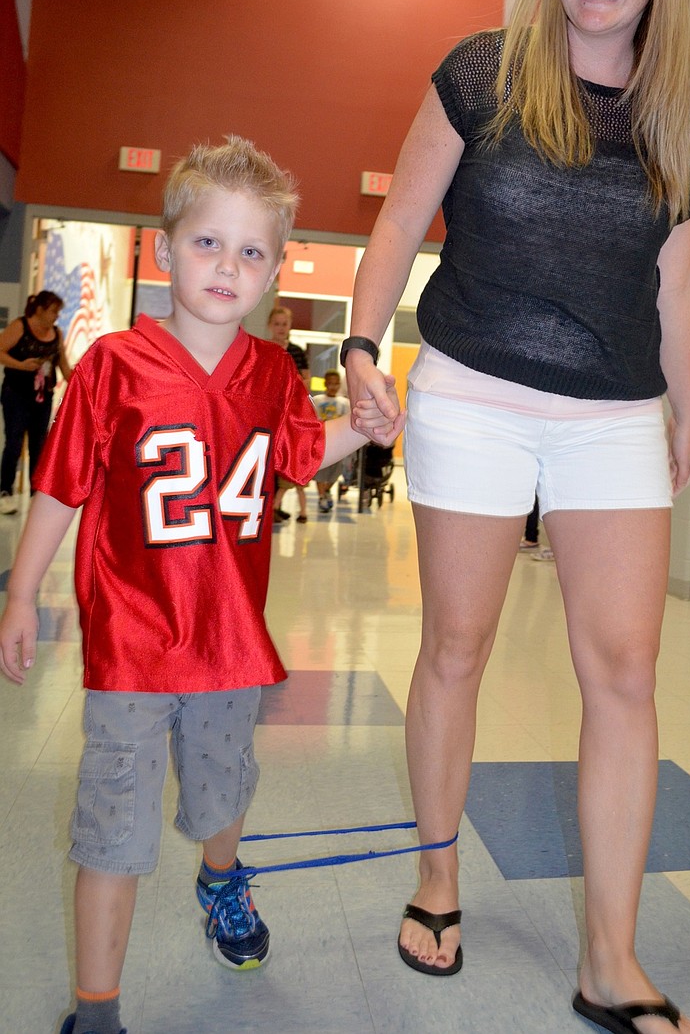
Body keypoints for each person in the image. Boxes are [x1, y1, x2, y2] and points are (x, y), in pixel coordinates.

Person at [344, 0, 690, 1034]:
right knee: (457, 642)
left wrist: (685, 398)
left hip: (611, 409)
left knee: (626, 673)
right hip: (474, 389)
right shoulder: (481, 72)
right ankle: (438, 878)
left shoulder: (674, 110)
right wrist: (359, 346)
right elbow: (403, 214)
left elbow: (676, 275)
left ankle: (611, 958)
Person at [0, 136, 398, 1034]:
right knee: (111, 829)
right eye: (210, 242)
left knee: (223, 792)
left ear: (273, 271)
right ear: (166, 248)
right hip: (131, 651)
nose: (228, 264)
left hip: (228, 647)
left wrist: (361, 426)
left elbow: (299, 453)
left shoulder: (271, 376)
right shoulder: (109, 368)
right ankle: (95, 1010)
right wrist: (21, 594)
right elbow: (62, 486)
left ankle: (222, 877)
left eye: (251, 250)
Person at [0, 290, 73, 513]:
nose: (55, 317)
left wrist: (77, 385)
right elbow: (0, 350)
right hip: (17, 393)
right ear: (40, 309)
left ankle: (36, 492)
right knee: (13, 442)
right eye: (53, 311)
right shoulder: (20, 326)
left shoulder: (56, 333)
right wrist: (21, 365)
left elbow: (62, 362)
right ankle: (5, 491)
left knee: (39, 444)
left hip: (43, 395)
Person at [267, 303, 310, 523]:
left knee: (283, 455)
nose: (281, 328)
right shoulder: (262, 348)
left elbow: (305, 380)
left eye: (285, 324)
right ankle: (268, 504)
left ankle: (275, 504)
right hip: (266, 409)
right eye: (277, 324)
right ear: (269, 326)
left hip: (288, 411)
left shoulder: (296, 352)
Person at [312, 368, 351, 512]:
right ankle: (322, 496)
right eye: (330, 384)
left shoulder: (345, 403)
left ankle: (327, 490)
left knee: (336, 471)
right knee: (321, 472)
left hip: (338, 443)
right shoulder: (317, 400)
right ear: (325, 384)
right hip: (321, 441)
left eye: (336, 384)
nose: (333, 387)